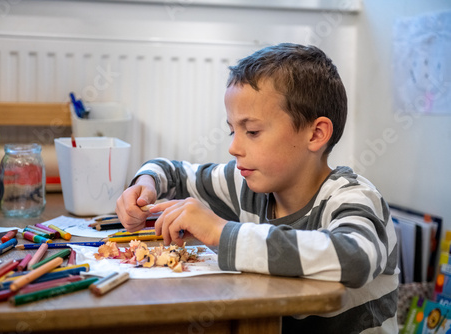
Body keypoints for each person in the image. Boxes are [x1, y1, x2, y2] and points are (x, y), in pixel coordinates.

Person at [115, 43, 399, 333]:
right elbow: (171, 172)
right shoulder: (246, 184)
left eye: (252, 132)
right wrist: (144, 185)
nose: (233, 147)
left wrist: (221, 233)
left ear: (315, 134)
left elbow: (354, 259)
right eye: (232, 130)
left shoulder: (354, 198)